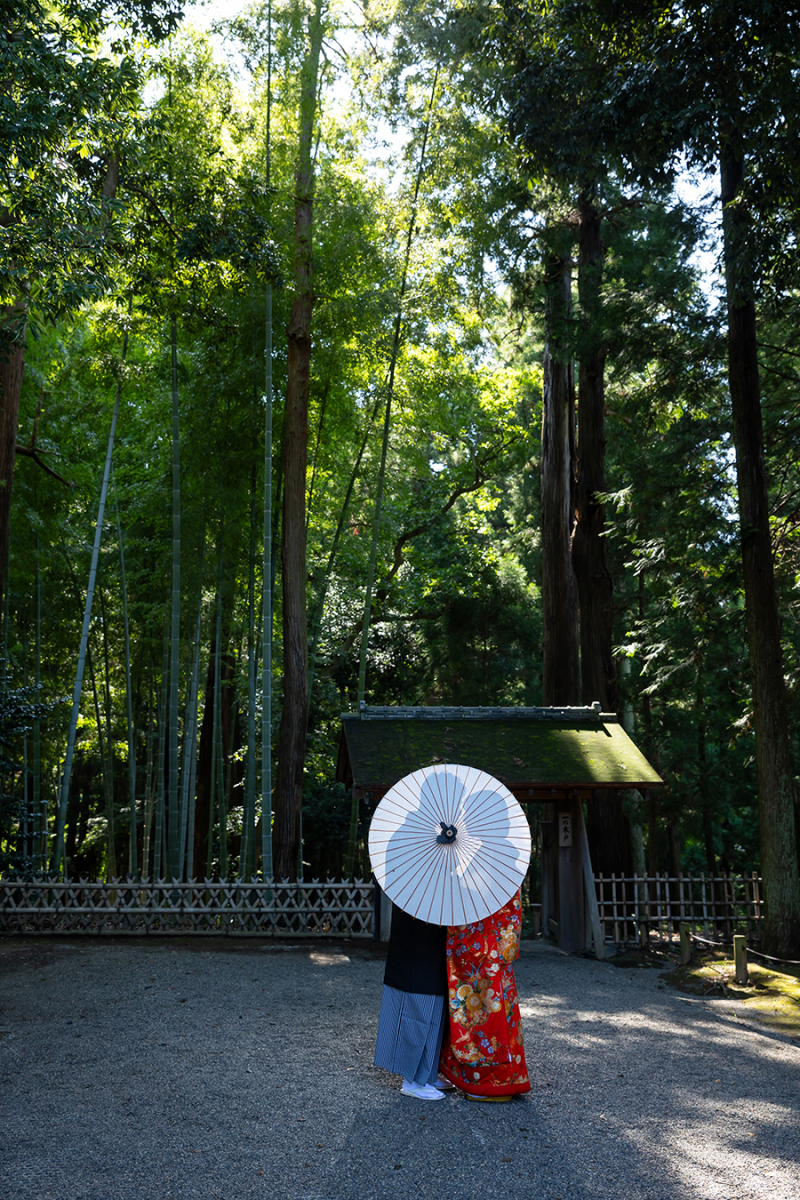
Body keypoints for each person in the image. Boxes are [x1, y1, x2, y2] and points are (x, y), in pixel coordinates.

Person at [438, 890, 531, 1100]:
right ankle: (504, 1078)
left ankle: (485, 1081)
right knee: (494, 1010)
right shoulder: (504, 875)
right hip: (494, 939)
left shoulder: (485, 875)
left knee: (484, 1014)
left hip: (481, 942)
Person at [373, 901, 456, 1100]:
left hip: (435, 915)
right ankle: (412, 1079)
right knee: (417, 993)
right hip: (415, 913)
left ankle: (427, 1074)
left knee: (436, 991)